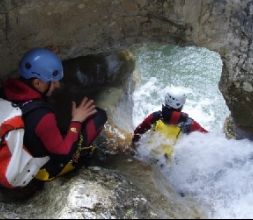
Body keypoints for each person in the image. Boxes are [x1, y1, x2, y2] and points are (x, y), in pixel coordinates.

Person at [0, 48, 108, 182]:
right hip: (44, 169)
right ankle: (81, 159)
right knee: (99, 116)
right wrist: (77, 121)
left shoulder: (7, 92)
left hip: (21, 147)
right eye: (52, 81)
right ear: (37, 83)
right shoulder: (42, 116)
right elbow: (63, 153)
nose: (57, 85)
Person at [132, 89, 207, 146]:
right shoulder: (189, 123)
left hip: (149, 154)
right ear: (181, 104)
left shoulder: (156, 116)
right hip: (171, 161)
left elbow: (138, 132)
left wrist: (134, 145)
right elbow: (208, 137)